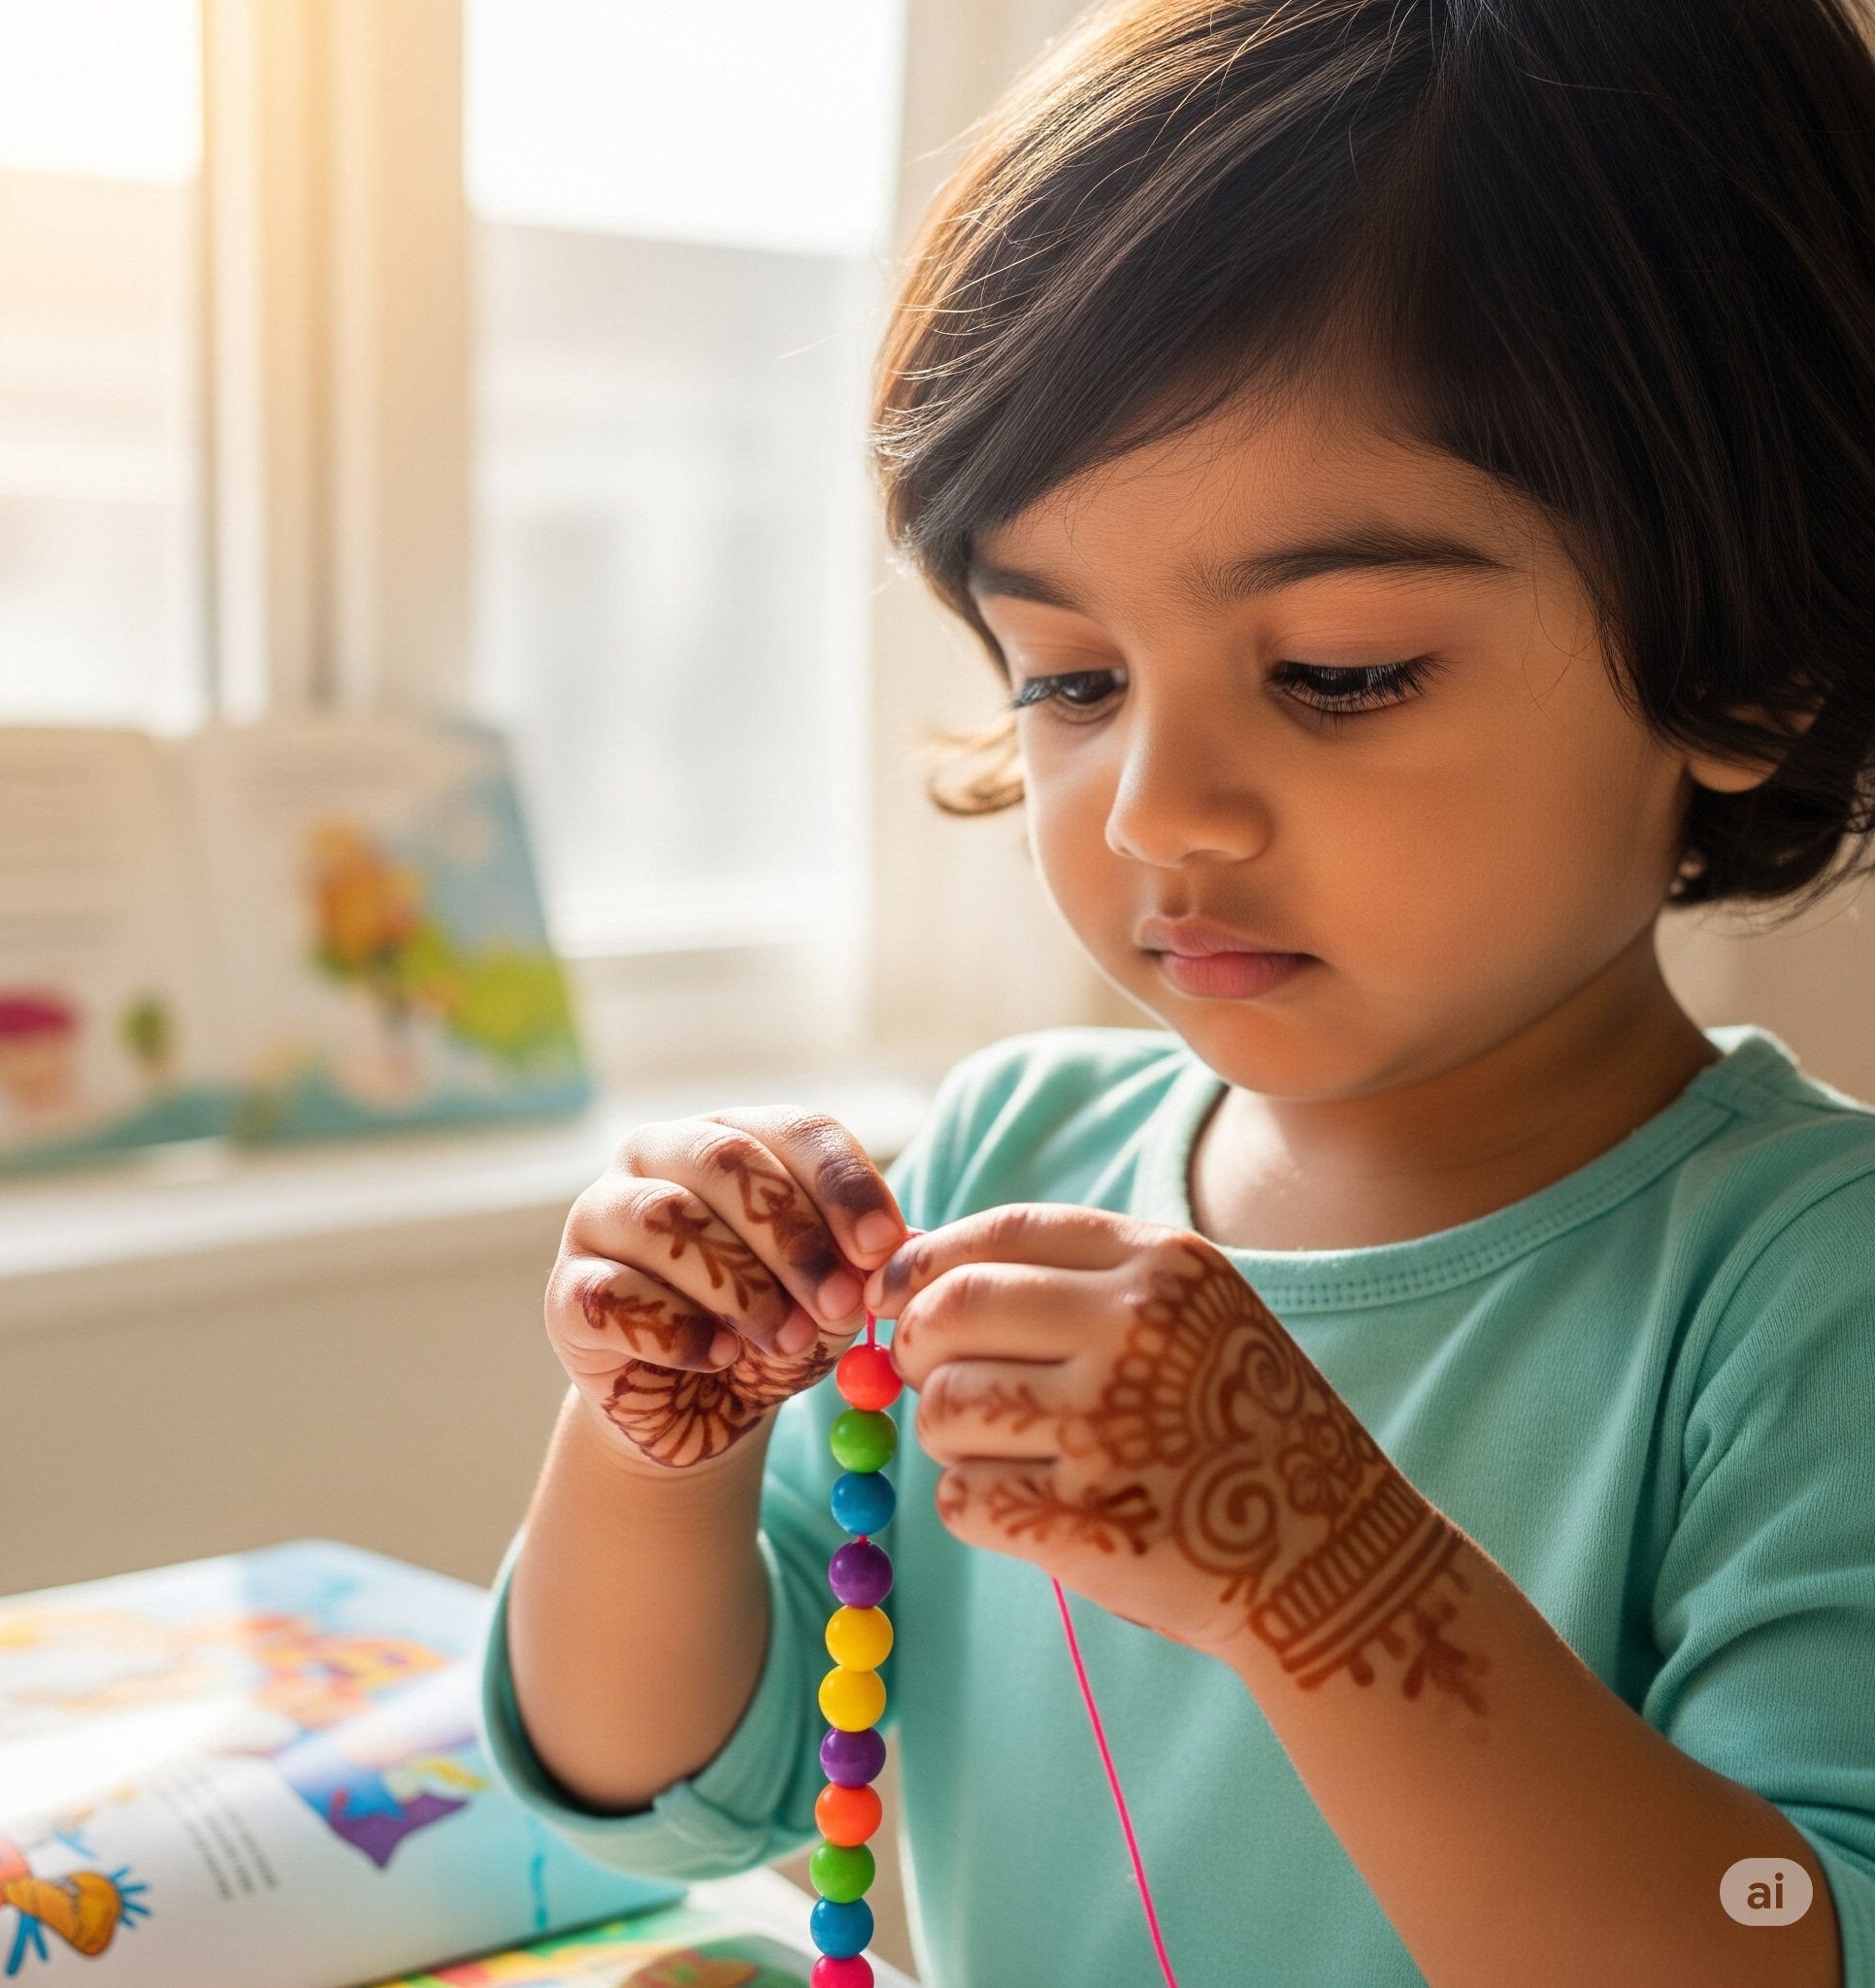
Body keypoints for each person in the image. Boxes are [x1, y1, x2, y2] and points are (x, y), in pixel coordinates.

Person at [481, 1, 1875, 1980]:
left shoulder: (1808, 1292)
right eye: (1068, 675)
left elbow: (1777, 1938)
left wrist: (1331, 1571)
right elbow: (667, 1777)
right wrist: (647, 1438)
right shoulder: (995, 1162)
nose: (1158, 809)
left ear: (1745, 671)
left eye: (1337, 673)